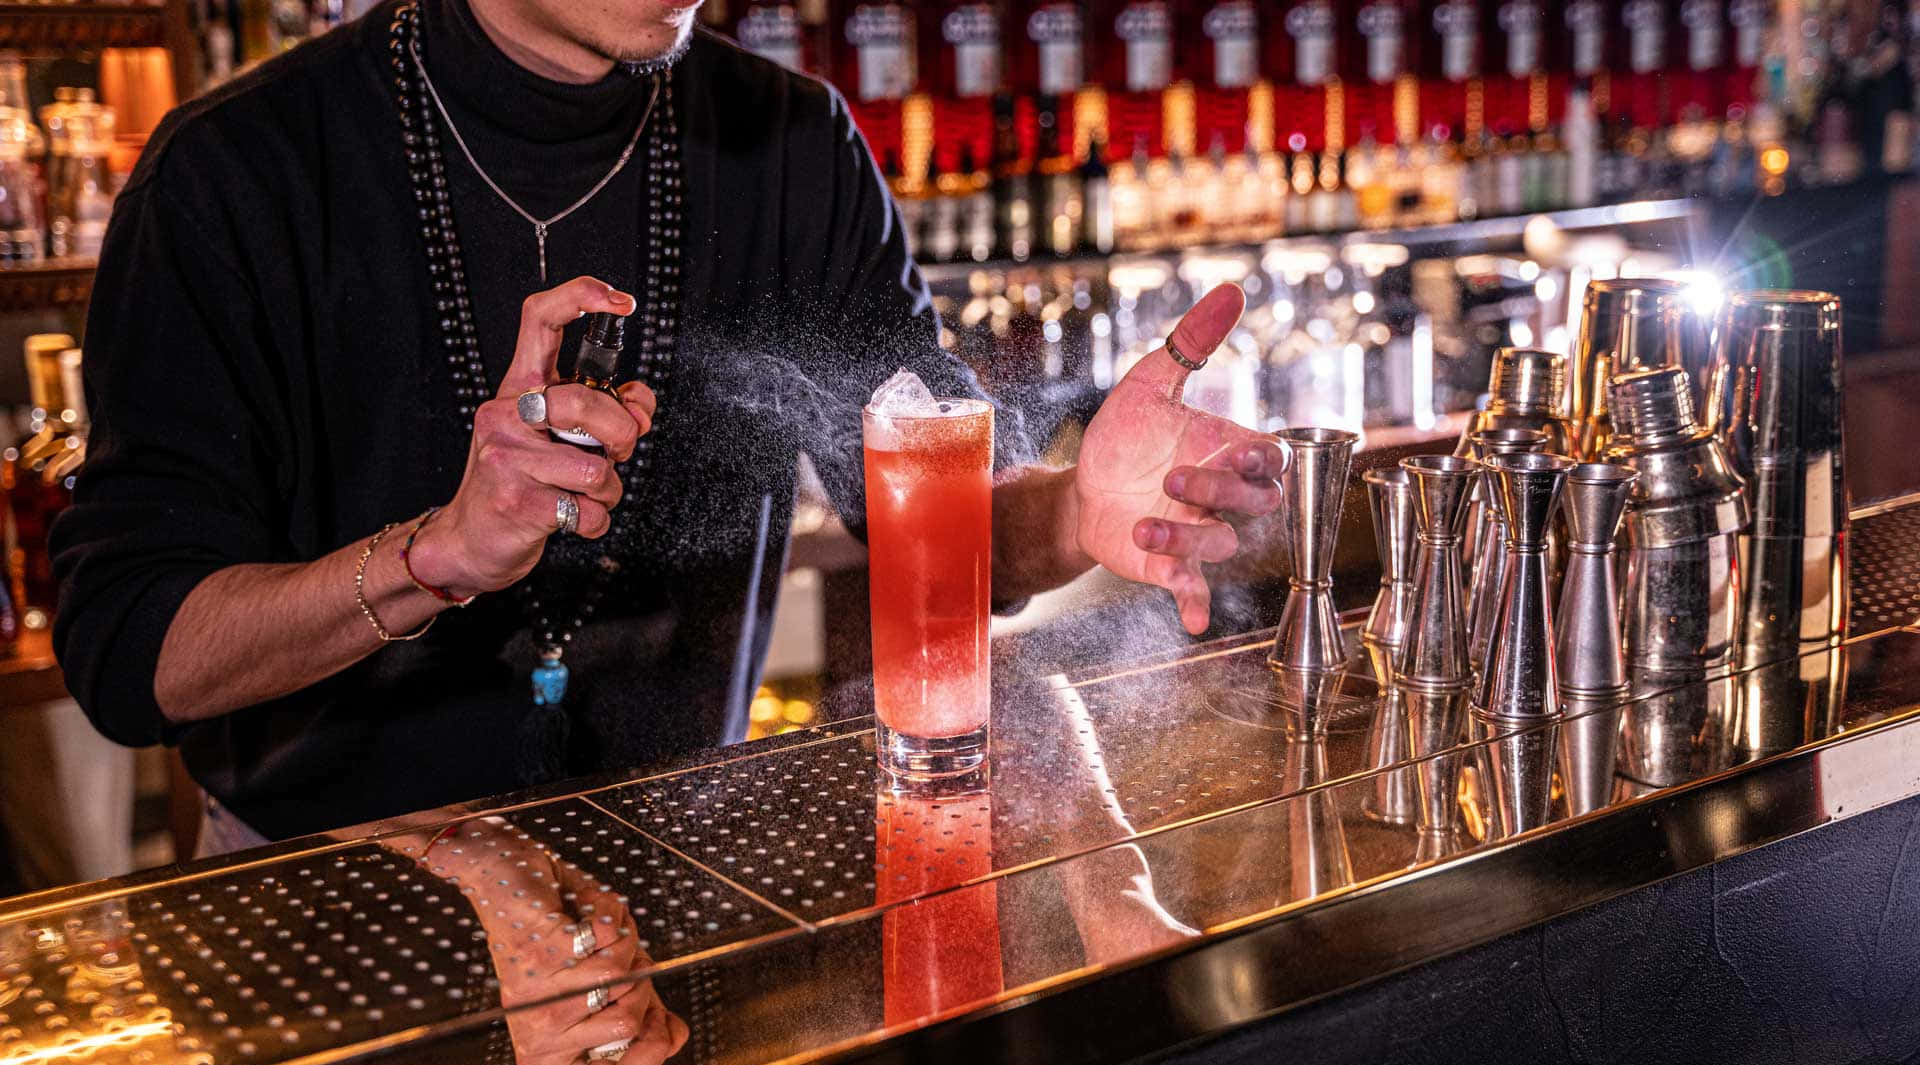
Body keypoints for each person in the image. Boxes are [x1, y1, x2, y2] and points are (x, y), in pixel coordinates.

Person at [53, 0, 1285, 849]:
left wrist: (1072, 510)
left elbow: (935, 528)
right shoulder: (236, 174)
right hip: (340, 878)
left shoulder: (792, 146)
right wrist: (434, 557)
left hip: (686, 848)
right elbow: (135, 658)